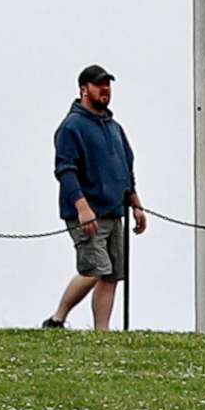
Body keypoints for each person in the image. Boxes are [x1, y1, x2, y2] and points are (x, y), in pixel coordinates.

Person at [44, 63, 144, 330]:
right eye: (99, 84)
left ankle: (102, 332)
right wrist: (82, 207)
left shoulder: (115, 128)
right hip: (87, 214)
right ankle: (57, 319)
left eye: (108, 85)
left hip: (114, 212)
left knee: (111, 274)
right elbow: (65, 170)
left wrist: (136, 205)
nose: (105, 89)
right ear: (83, 89)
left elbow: (127, 168)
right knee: (94, 269)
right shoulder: (71, 127)